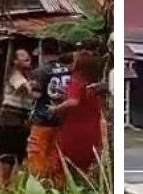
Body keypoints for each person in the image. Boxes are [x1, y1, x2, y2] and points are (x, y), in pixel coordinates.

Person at [51, 50, 106, 181]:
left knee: (64, 163)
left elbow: (74, 101)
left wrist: (56, 108)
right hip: (92, 127)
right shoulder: (95, 86)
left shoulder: (76, 81)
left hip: (74, 127)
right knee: (84, 165)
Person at [25, 51, 75, 185]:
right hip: (62, 118)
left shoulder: (41, 71)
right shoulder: (70, 70)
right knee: (57, 154)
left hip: (43, 118)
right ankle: (57, 186)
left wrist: (28, 88)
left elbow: (36, 95)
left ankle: (38, 184)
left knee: (37, 153)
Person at [0, 48, 35, 189]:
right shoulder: (14, 75)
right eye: (22, 56)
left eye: (27, 55)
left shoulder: (29, 76)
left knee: (23, 152)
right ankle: (6, 184)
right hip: (10, 117)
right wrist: (33, 88)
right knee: (8, 153)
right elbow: (23, 87)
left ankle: (18, 185)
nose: (27, 57)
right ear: (15, 61)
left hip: (24, 118)